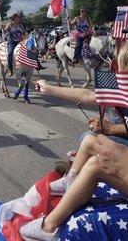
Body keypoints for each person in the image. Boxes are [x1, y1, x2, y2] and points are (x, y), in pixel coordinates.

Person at [23, 41, 128, 240]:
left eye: (122, 66)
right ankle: (71, 182)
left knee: (95, 164)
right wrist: (49, 88)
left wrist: (112, 129)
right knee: (89, 140)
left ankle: (48, 228)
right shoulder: (123, 85)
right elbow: (88, 94)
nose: (117, 70)